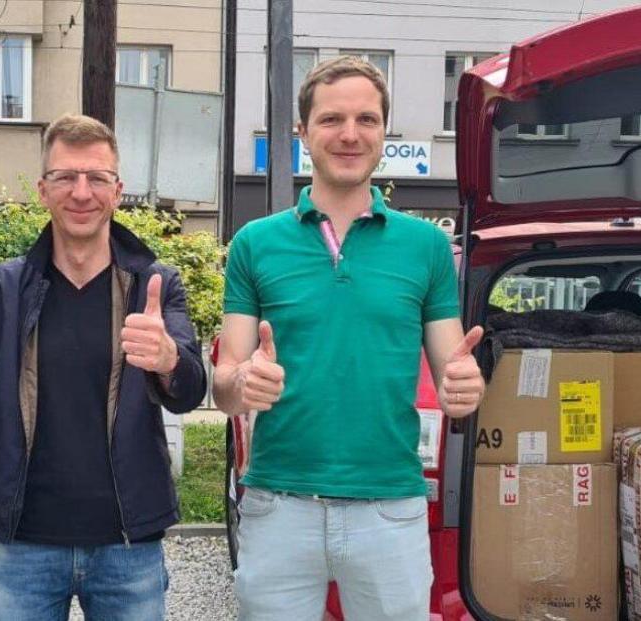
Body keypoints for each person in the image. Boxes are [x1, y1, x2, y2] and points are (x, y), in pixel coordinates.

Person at [213, 56, 486, 621]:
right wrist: (243, 381)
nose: (349, 133)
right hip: (278, 505)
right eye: (332, 119)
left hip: (390, 506)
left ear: (383, 131)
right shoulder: (254, 244)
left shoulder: (426, 247)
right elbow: (224, 386)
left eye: (366, 119)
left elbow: (451, 368)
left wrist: (465, 387)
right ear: (303, 133)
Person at [0, 114, 207, 621]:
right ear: (42, 190)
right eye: (65, 177)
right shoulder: (0, 289)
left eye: (96, 178)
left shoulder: (154, 285)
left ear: (117, 191)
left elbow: (187, 389)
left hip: (127, 544)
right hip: (23, 542)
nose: (81, 192)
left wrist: (168, 361)